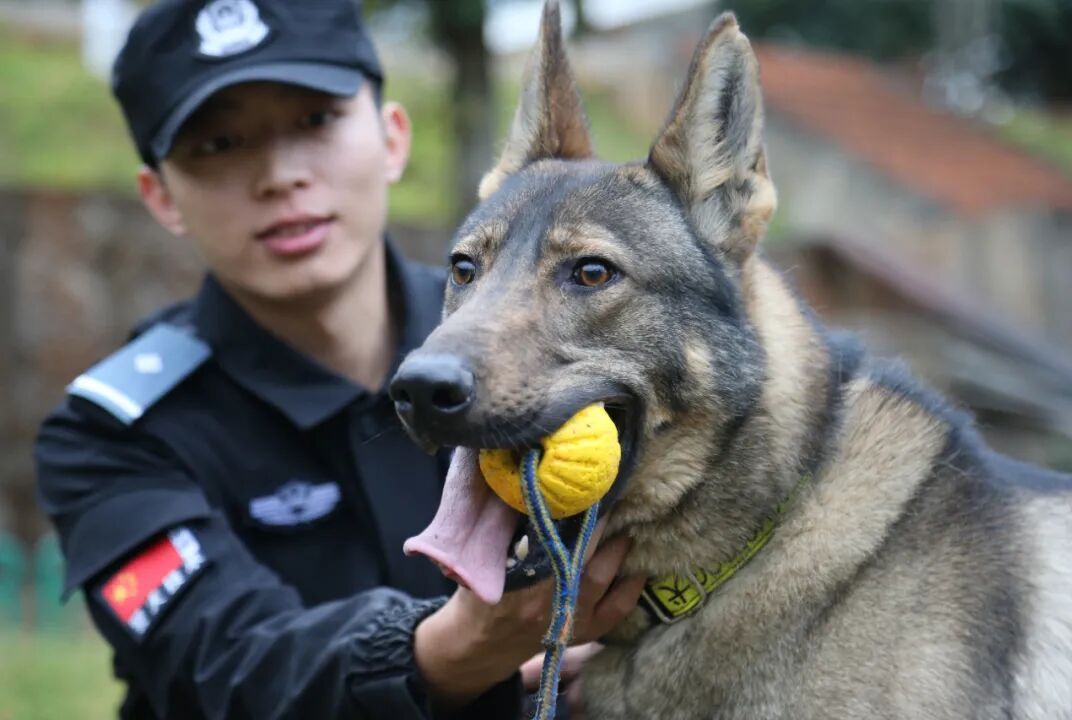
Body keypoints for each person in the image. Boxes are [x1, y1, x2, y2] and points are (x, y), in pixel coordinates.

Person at [33, 0, 645, 717]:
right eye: (218, 144)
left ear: (392, 139)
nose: (280, 175)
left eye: (315, 121)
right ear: (160, 196)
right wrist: (460, 648)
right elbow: (217, 665)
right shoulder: (110, 434)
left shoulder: (557, 349)